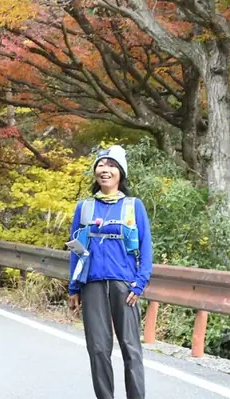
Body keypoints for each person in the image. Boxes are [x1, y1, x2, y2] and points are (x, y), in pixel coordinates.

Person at [67, 145, 153, 399]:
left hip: (124, 285)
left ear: (121, 173)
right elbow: (76, 249)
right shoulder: (84, 208)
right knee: (97, 348)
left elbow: (146, 247)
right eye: (101, 165)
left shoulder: (133, 205)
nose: (105, 170)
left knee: (130, 347)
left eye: (112, 165)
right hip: (91, 283)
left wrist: (139, 284)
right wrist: (73, 287)